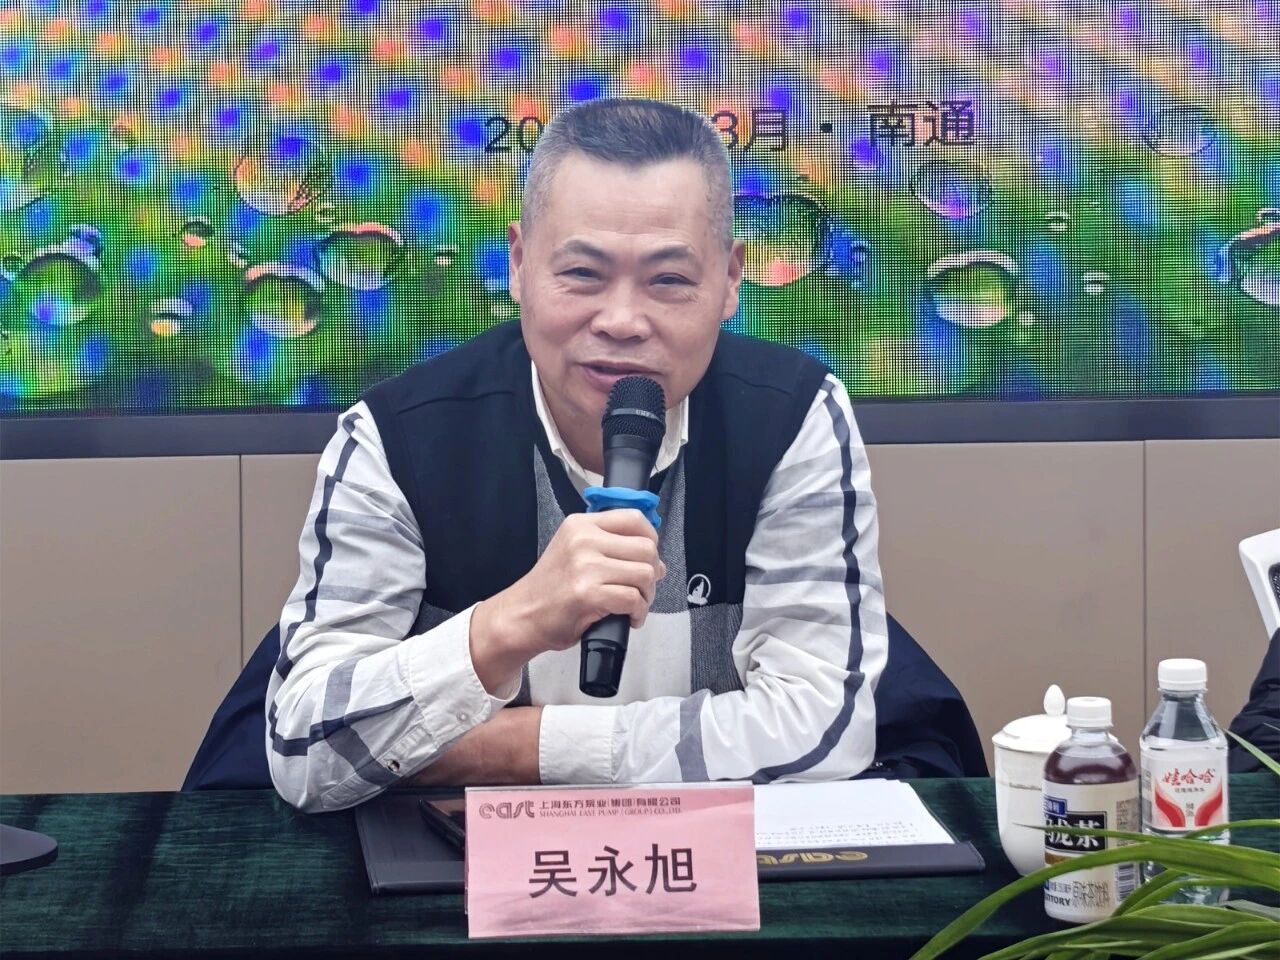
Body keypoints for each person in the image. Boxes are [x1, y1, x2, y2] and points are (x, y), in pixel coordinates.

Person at [265, 98, 888, 813]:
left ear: (730, 280)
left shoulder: (791, 418)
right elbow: (305, 752)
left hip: (706, 868)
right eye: (584, 274)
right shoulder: (397, 437)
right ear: (519, 265)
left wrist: (520, 746)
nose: (621, 321)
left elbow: (824, 733)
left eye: (668, 280)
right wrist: (510, 623)